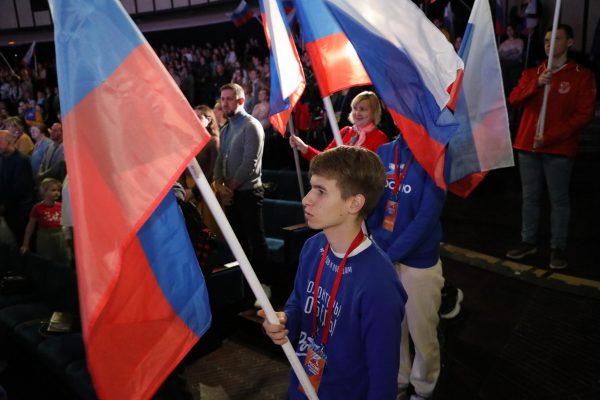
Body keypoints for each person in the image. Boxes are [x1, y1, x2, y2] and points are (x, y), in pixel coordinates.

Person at [259, 146, 406, 399]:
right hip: (302, 385)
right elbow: (299, 303)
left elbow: (383, 378)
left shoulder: (379, 284)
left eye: (321, 191)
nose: (306, 199)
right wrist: (285, 320)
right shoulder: (312, 247)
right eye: (311, 187)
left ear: (354, 203)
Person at [506, 24, 596, 269]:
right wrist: (536, 83)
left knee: (559, 200)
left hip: (558, 149)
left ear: (569, 42)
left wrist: (550, 136)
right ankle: (528, 241)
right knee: (530, 197)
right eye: (546, 40)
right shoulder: (533, 72)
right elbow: (514, 99)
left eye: (556, 39)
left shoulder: (581, 75)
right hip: (528, 146)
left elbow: (583, 115)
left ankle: (557, 248)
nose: (549, 44)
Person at [367, 134, 446, 400]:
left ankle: (424, 387)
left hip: (418, 261)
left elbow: (427, 217)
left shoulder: (436, 153)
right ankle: (399, 380)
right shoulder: (384, 150)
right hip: (385, 255)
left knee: (422, 329)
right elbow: (375, 200)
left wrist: (392, 253)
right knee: (393, 328)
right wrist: (377, 243)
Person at [214, 83, 271, 305]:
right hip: (231, 194)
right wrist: (219, 185)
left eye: (229, 98)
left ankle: (265, 285)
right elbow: (220, 160)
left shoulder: (251, 125)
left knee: (256, 240)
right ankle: (247, 284)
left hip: (248, 194)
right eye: (222, 98)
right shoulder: (226, 128)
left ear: (240, 100)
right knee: (238, 242)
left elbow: (250, 163)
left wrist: (230, 188)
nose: (224, 102)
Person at [289, 91, 389, 160]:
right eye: (355, 108)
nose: (357, 113)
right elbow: (324, 159)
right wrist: (304, 147)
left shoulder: (381, 138)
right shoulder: (345, 131)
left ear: (374, 112)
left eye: (363, 109)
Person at [21, 178, 69, 263]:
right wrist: (25, 244)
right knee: (47, 260)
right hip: (45, 237)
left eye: (58, 190)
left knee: (64, 259)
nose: (57, 192)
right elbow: (30, 227)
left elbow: (66, 224)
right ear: (44, 192)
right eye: (53, 190)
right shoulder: (37, 208)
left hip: (60, 235)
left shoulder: (61, 206)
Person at [0, 130, 35, 246]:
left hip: (19, 213)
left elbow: (19, 190)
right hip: (7, 210)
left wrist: (3, 205)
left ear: (10, 142)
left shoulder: (22, 161)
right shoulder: (2, 158)